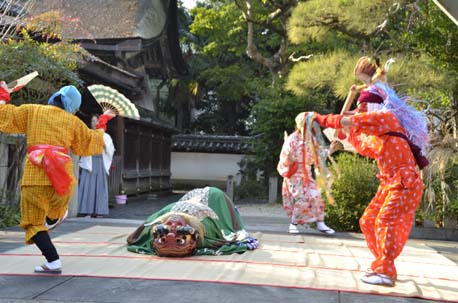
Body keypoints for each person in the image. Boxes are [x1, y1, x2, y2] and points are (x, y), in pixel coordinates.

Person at [313, 56, 429, 286]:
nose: (361, 111)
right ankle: (382, 264)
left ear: (373, 106)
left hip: (404, 182)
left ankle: (385, 270)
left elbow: (354, 121)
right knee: (368, 220)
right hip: (390, 183)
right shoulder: (380, 135)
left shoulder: (385, 118)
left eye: (363, 107)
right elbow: (363, 145)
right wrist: (342, 140)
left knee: (385, 219)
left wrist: (317, 118)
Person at [0, 82, 114, 274]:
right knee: (56, 207)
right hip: (62, 176)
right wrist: (102, 123)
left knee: (33, 223)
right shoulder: (73, 122)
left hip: (35, 174)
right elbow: (92, 142)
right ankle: (54, 216)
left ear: (55, 98)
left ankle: (53, 260)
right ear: (72, 107)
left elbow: (4, 115)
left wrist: (3, 95)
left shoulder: (32, 110)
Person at [127, 186, 258, 257]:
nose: (173, 223)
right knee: (216, 193)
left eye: (167, 229)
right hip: (214, 201)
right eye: (179, 230)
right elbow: (227, 236)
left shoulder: (157, 223)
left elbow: (137, 235)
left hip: (187, 199)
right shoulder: (205, 235)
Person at [277, 112, 335, 235]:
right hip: (295, 174)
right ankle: (293, 224)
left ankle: (320, 223)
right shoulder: (292, 138)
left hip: (307, 174)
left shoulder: (312, 139)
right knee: (300, 198)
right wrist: (289, 158)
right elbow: (284, 157)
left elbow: (318, 156)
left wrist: (331, 150)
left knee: (316, 196)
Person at [78, 113, 115, 218]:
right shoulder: (87, 134)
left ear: (101, 122)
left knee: (100, 186)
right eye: (92, 121)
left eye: (96, 121)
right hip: (89, 161)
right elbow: (81, 146)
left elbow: (110, 149)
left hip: (99, 162)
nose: (94, 123)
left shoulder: (105, 136)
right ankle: (87, 211)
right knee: (87, 186)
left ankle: (99, 211)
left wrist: (103, 143)